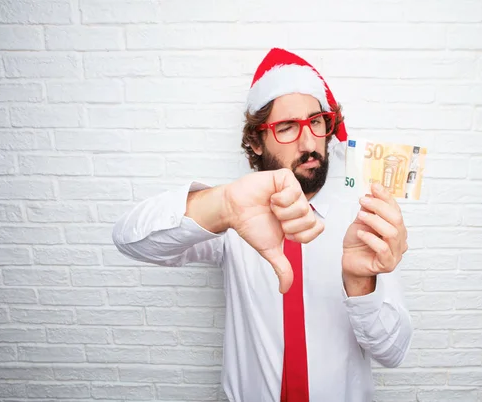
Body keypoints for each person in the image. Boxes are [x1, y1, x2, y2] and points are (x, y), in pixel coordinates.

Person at [112, 48, 413, 402]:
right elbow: (130, 239)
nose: (308, 142)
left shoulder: (362, 223)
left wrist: (361, 283)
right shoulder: (233, 220)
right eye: (286, 127)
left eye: (316, 122)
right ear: (256, 141)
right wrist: (222, 205)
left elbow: (392, 353)